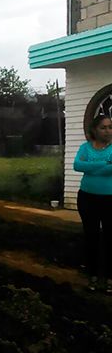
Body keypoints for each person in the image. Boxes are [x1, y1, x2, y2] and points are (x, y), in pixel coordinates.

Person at [73, 114, 112, 292]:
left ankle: (110, 277)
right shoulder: (85, 147)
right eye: (103, 127)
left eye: (110, 127)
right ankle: (93, 275)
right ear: (95, 130)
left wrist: (90, 165)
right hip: (87, 198)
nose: (108, 131)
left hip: (109, 199)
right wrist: (104, 163)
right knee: (91, 236)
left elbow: (85, 166)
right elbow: (76, 166)